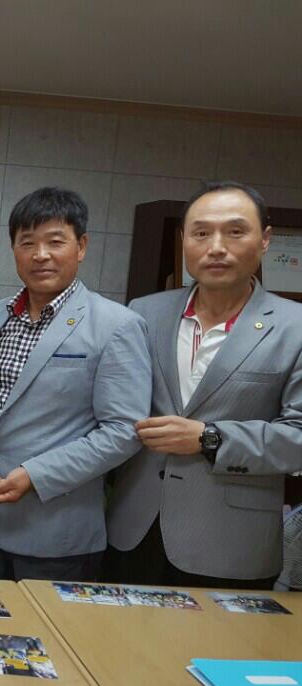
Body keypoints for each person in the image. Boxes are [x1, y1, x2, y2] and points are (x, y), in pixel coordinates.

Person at [106, 181, 302, 589]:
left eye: (235, 231)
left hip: (231, 542)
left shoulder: (294, 327)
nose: (216, 247)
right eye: (201, 233)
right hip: (133, 529)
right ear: (184, 240)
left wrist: (209, 437)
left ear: (265, 239)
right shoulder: (144, 313)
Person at [0, 187, 151, 582]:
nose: (40, 254)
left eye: (55, 241)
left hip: (54, 526)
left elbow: (123, 431)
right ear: (14, 249)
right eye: (27, 242)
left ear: (82, 246)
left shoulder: (117, 324)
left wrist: (36, 475)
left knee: (45, 625)